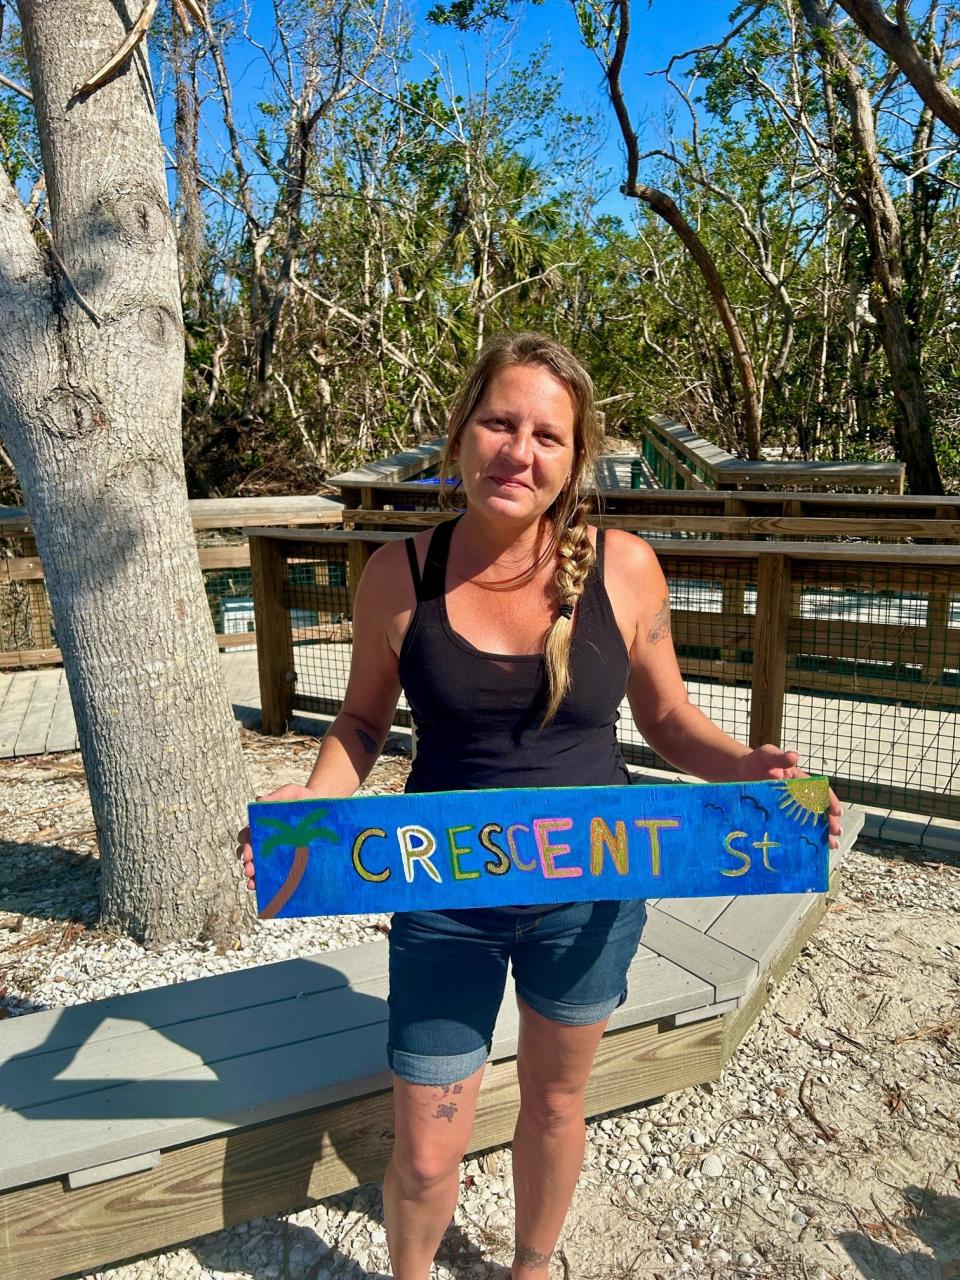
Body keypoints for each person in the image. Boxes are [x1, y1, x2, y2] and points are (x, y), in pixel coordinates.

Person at [238, 332, 841, 1280]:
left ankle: (531, 1266)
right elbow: (359, 721)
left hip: (590, 895)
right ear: (460, 435)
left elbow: (670, 718)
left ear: (574, 460)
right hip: (442, 895)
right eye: (499, 422)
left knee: (557, 1106)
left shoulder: (627, 568)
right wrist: (313, 798)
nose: (519, 451)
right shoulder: (398, 576)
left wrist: (748, 766)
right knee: (429, 1148)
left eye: (547, 436)